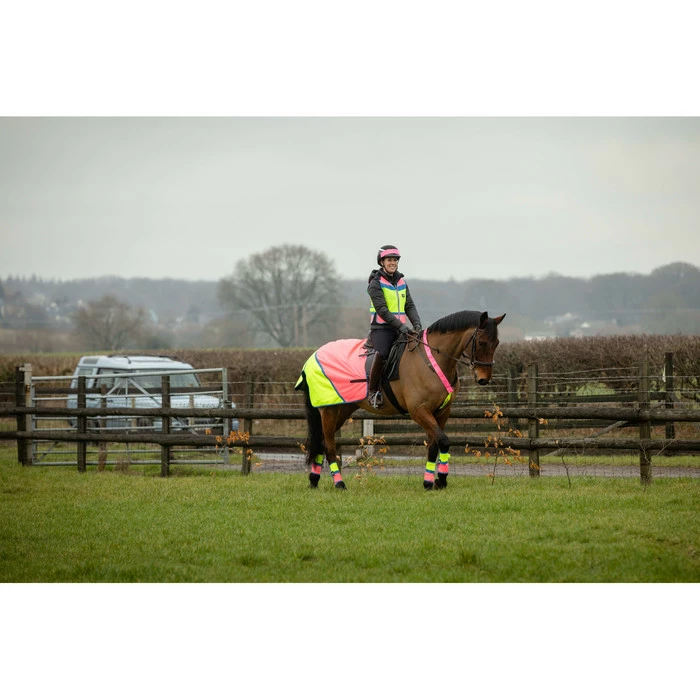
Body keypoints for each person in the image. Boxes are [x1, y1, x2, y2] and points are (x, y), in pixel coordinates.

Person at [367, 245, 422, 408]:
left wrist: (417, 323)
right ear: (382, 262)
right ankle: (373, 392)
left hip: (400, 328)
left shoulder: (402, 282)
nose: (393, 263)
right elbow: (382, 310)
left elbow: (409, 305)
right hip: (381, 330)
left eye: (395, 260)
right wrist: (401, 326)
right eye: (389, 260)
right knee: (383, 353)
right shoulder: (375, 283)